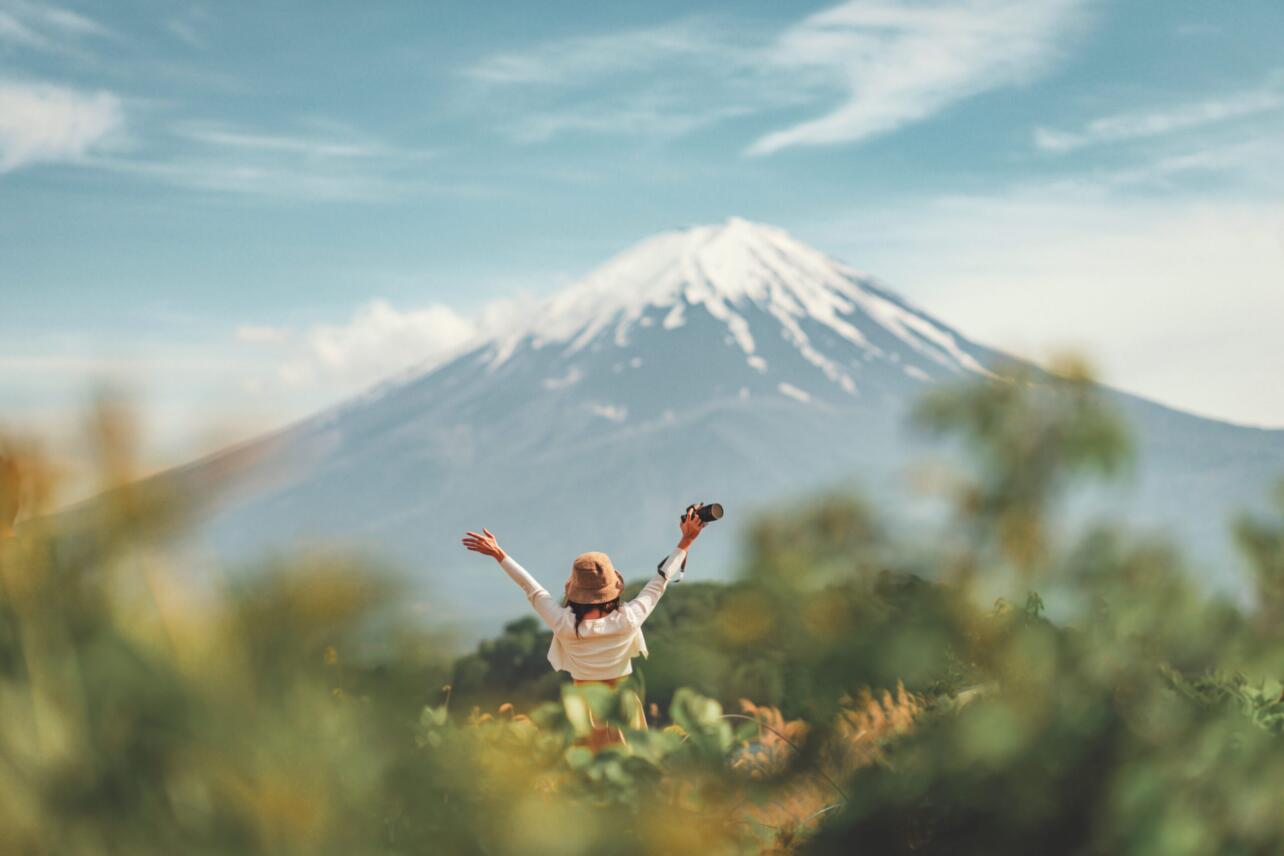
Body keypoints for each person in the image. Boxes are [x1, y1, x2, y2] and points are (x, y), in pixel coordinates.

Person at [461, 503, 707, 740]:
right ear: (612, 587)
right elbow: (661, 580)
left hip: (582, 711)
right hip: (623, 707)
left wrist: (499, 554)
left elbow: (531, 588)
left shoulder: (564, 625)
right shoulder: (629, 620)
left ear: (575, 589)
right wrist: (687, 540)